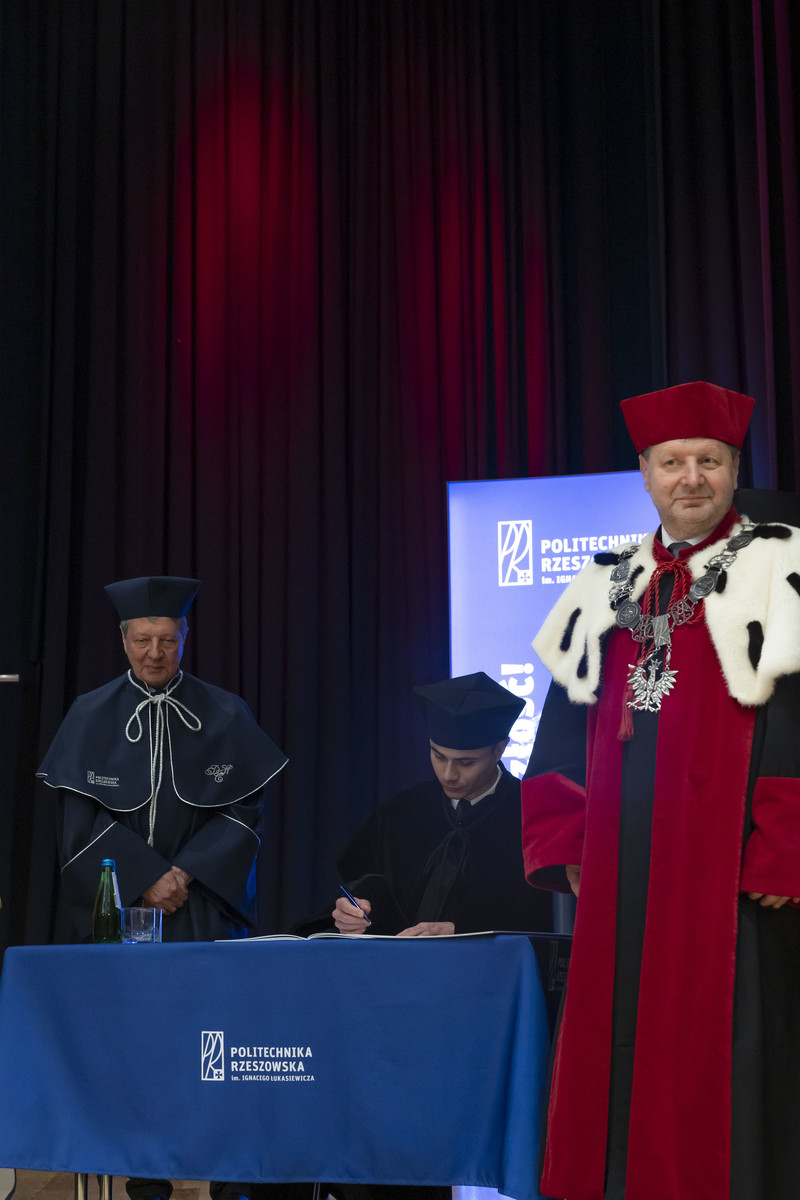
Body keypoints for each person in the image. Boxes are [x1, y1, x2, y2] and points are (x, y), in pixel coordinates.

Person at [521, 381, 800, 1200]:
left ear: (735, 469)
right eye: (672, 462)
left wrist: (785, 845)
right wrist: (568, 843)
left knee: (736, 1042)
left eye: (709, 461)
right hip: (623, 868)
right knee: (617, 1041)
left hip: (734, 867)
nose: (691, 478)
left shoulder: (782, 569)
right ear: (644, 473)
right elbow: (560, 726)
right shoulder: (604, 584)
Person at [37, 575, 287, 1200]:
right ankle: (146, 1180)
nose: (155, 653)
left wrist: (184, 872)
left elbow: (245, 811)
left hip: (203, 903)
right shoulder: (89, 713)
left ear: (185, 638)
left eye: (167, 640)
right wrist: (145, 878)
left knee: (221, 1044)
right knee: (135, 1048)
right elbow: (76, 821)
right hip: (123, 909)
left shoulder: (226, 712)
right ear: (123, 641)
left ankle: (230, 1180)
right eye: (143, 640)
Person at [265, 672, 553, 1200]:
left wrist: (463, 929)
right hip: (395, 1002)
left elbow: (549, 912)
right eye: (438, 756)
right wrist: (356, 909)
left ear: (499, 749)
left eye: (466, 762)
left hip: (485, 1005)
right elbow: (368, 876)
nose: (449, 774)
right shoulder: (404, 810)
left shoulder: (535, 816)